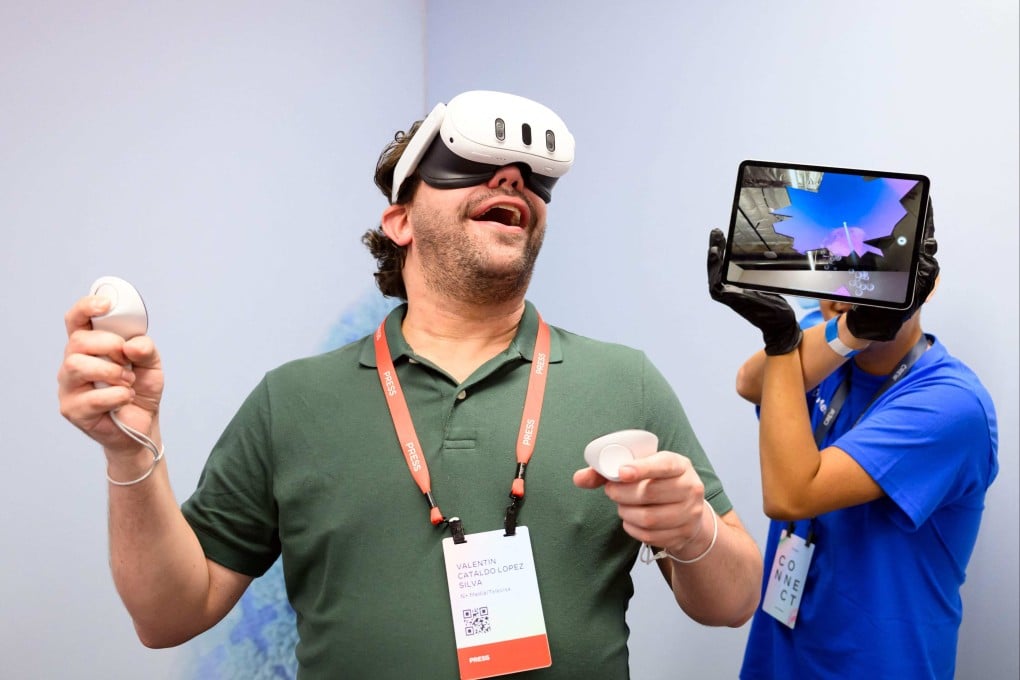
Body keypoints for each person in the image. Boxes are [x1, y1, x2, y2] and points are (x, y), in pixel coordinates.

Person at [58, 90, 762, 679]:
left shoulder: (624, 383)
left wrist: (694, 530)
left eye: (531, 176)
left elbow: (733, 601)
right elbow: (168, 616)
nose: (511, 179)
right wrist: (130, 451)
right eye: (469, 165)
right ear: (399, 220)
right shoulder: (292, 402)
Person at [707, 210, 999, 678]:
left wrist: (798, 342)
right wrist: (849, 332)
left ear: (927, 284)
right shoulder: (825, 337)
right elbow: (749, 382)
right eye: (835, 269)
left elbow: (790, 495)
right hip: (777, 660)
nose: (848, 291)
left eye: (875, 272)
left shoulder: (951, 404)